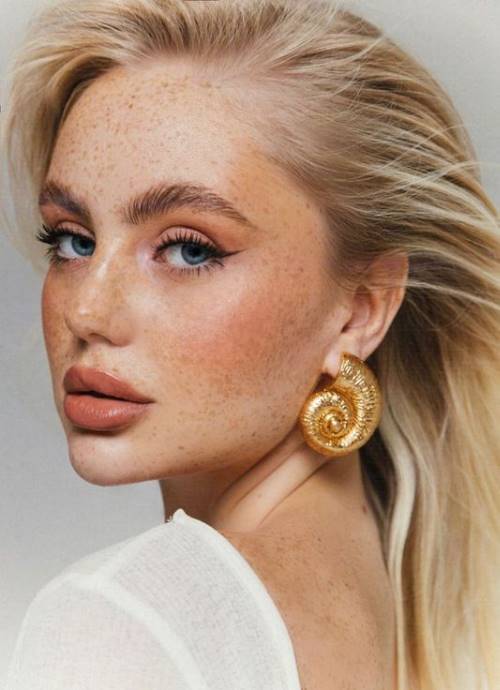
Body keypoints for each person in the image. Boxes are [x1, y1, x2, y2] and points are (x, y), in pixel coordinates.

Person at [1, 1, 499, 688]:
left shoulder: (124, 619)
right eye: (72, 240)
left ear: (360, 310)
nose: (87, 311)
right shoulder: (400, 604)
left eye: (188, 250)